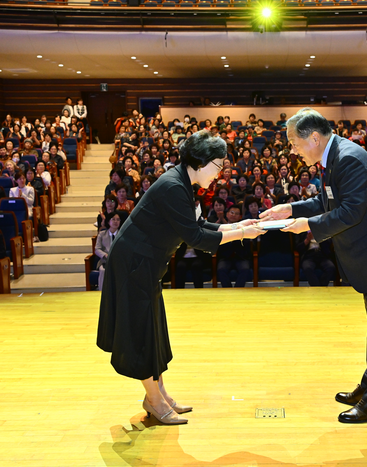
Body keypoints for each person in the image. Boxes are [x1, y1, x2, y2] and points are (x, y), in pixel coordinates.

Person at [260, 108, 367, 424]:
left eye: (294, 143)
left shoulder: (348, 159)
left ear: (314, 138)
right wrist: (291, 208)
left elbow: (350, 212)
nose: (292, 150)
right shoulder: (333, 157)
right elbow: (327, 202)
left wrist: (307, 224)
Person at [97, 130, 265, 426]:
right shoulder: (174, 186)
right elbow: (196, 237)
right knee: (141, 331)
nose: (220, 173)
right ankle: (153, 400)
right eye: (218, 165)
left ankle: (159, 394)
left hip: (146, 264)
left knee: (154, 329)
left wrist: (238, 226)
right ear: (200, 162)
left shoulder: (182, 182)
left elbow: (197, 224)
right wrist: (242, 233)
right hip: (134, 264)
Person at [215, 204, 252, 288]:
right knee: (221, 270)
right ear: (227, 214)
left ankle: (238, 291)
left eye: (237, 213)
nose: (234, 215)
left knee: (245, 269)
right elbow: (219, 244)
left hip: (240, 256)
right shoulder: (222, 228)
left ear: (240, 216)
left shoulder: (244, 228)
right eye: (232, 212)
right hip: (225, 257)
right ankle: (228, 291)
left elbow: (246, 244)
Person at [94, 210, 127, 291]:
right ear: (108, 222)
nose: (116, 221)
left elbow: (125, 249)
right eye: (113, 219)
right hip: (106, 261)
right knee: (103, 270)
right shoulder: (102, 234)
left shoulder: (123, 235)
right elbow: (97, 249)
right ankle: (102, 292)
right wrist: (105, 255)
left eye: (118, 219)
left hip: (119, 261)